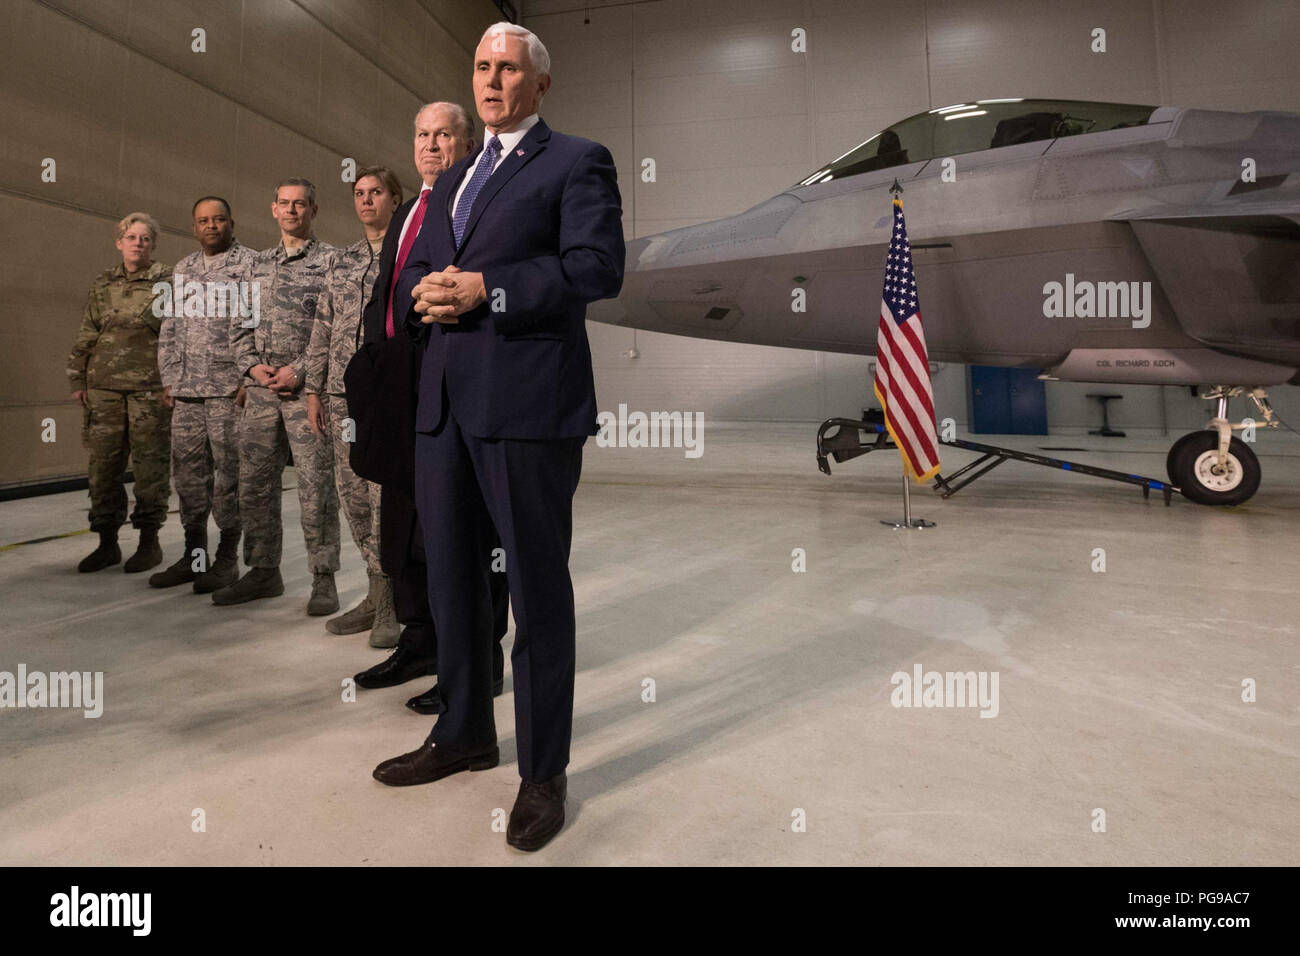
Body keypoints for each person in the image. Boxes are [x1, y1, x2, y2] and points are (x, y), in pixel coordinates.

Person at [377, 23, 625, 853]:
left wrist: (491, 289)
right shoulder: (450, 181)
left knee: (536, 589)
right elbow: (412, 269)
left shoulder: (575, 161)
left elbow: (597, 267)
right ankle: (464, 732)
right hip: (444, 407)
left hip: (526, 408)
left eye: (507, 68)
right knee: (451, 578)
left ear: (539, 83)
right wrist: (430, 292)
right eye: (481, 67)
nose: (491, 80)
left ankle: (542, 772)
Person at [347, 103, 509, 708]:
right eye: (421, 134)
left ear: (468, 142)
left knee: (468, 527)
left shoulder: (479, 203)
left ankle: (478, 661)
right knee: (408, 525)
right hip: (400, 386)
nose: (431, 145)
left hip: (452, 382)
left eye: (445, 134)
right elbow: (387, 295)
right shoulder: (411, 208)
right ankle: (421, 640)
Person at [214, 178, 340, 614]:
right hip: (262, 393)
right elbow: (238, 327)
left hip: (308, 394)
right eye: (284, 204)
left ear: (313, 210)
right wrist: (251, 366)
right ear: (273, 209)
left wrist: (300, 371)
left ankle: (323, 579)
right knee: (255, 486)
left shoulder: (331, 263)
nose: (292, 211)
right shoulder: (256, 265)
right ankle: (264, 570)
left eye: (300, 204)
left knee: (315, 487)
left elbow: (334, 330)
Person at [303, 167, 402, 647]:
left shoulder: (409, 254)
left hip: (387, 397)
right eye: (359, 193)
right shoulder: (340, 262)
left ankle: (393, 602)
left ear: (394, 198)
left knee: (386, 497)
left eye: (375, 192)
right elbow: (322, 327)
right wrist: (314, 390)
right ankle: (373, 590)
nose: (366, 201)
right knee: (353, 494)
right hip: (343, 398)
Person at [150, 196, 255, 592]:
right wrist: (169, 378)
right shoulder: (184, 268)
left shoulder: (250, 265)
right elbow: (170, 326)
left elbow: (256, 324)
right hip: (189, 392)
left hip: (230, 391)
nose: (211, 226)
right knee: (189, 478)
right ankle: (196, 558)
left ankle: (227, 561)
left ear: (232, 222)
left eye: (219, 219)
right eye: (203, 221)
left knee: (229, 476)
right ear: (194, 227)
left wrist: (248, 377)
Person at [67, 212, 173, 574]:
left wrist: (174, 381)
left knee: (150, 466)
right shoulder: (103, 283)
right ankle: (107, 543)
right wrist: (77, 380)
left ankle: (148, 542)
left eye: (145, 238)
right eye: (131, 237)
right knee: (103, 466)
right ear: (119, 242)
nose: (138, 243)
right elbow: (87, 332)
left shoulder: (165, 281)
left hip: (150, 390)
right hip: (104, 388)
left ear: (153, 245)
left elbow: (176, 336)